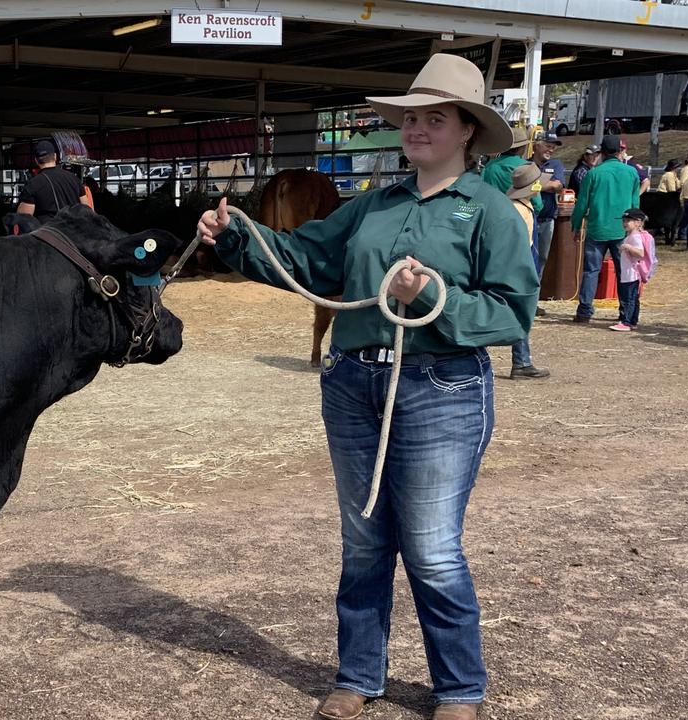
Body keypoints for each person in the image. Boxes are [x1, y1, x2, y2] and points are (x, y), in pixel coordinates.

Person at [197, 53, 536, 720]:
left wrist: (434, 295)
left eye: (435, 118)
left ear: (468, 130)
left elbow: (510, 310)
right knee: (362, 542)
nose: (417, 128)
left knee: (434, 549)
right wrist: (239, 236)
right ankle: (358, 676)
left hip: (441, 386)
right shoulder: (370, 207)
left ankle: (459, 689)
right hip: (355, 381)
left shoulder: (490, 213)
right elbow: (306, 258)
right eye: (411, 117)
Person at [570, 135, 641, 324]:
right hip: (622, 230)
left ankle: (584, 310)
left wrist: (576, 225)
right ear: (620, 151)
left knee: (591, 271)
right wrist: (637, 228)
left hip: (597, 228)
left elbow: (582, 202)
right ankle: (626, 311)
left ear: (601, 152)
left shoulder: (594, 173)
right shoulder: (631, 173)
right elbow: (635, 203)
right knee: (624, 271)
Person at [505, 163, 551, 378]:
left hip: (514, 267)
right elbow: (521, 245)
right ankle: (521, 362)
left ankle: (522, 361)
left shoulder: (515, 205)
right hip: (519, 269)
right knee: (521, 314)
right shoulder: (521, 211)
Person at [531, 132, 566, 316]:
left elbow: (558, 185)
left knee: (541, 260)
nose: (551, 149)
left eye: (554, 146)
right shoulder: (526, 163)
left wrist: (534, 185)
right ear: (536, 145)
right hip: (529, 219)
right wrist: (546, 184)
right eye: (547, 145)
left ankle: (534, 301)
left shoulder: (556, 165)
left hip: (546, 220)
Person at [15, 139, 89, 222]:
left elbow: (23, 219)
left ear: (36, 161)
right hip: (73, 231)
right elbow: (87, 209)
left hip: (48, 232)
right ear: (55, 156)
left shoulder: (33, 184)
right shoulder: (74, 178)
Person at [611, 208, 657, 332]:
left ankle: (626, 322)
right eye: (624, 221)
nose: (625, 223)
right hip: (629, 273)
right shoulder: (632, 236)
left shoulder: (635, 237)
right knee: (633, 298)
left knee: (628, 298)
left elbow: (640, 253)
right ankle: (632, 321)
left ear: (638, 222)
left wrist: (627, 247)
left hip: (632, 273)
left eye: (628, 221)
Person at [480, 126, 542, 215]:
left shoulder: (488, 166)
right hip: (518, 216)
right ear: (522, 148)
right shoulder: (527, 167)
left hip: (491, 215)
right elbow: (537, 203)